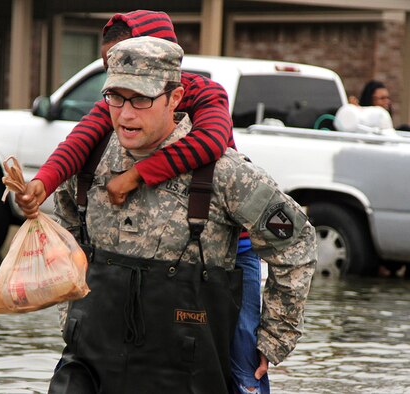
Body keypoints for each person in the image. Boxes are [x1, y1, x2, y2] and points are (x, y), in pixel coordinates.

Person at [15, 10, 270, 393]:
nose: (120, 74)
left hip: (233, 252)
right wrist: (42, 183)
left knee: (242, 364)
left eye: (129, 60)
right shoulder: (117, 103)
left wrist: (135, 175)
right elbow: (77, 143)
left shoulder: (205, 93)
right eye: (111, 68)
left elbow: (209, 143)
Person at [46, 35, 316, 393]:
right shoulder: (89, 163)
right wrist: (70, 317)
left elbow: (296, 244)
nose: (125, 114)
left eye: (141, 99)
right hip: (89, 367)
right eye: (115, 97)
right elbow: (64, 231)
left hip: (185, 374)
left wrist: (273, 338)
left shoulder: (223, 174)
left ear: (174, 98)